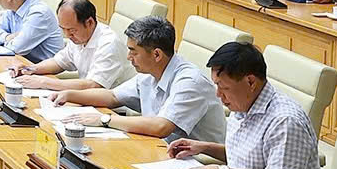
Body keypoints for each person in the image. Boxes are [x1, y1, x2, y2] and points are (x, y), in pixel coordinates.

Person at [166, 42, 324, 169]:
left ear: (250, 82)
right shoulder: (243, 103)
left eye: (224, 87)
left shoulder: (285, 121)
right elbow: (249, 159)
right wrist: (204, 147)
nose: (218, 94)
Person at [54, 16, 227, 143]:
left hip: (199, 162)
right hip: (159, 148)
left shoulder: (190, 82)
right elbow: (112, 96)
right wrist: (69, 95)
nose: (128, 57)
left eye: (133, 52)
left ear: (156, 54)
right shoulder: (149, 73)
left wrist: (104, 120)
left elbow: (161, 127)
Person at [14, 0, 135, 90]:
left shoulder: (109, 44)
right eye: (63, 29)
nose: (67, 35)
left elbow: (93, 85)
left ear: (89, 22)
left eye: (71, 30)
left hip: (114, 107)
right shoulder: (79, 37)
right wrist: (31, 69)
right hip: (88, 99)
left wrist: (43, 82)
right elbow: (59, 62)